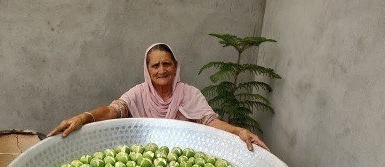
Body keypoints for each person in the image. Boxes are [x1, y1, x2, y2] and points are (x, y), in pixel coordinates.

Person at [47, 43, 269, 152]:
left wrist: (238, 130)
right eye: (155, 65)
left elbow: (210, 121)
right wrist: (84, 117)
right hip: (144, 157)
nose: (161, 70)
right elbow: (113, 110)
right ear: (147, 69)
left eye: (167, 64)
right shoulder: (138, 93)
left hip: (182, 159)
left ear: (175, 67)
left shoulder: (190, 94)